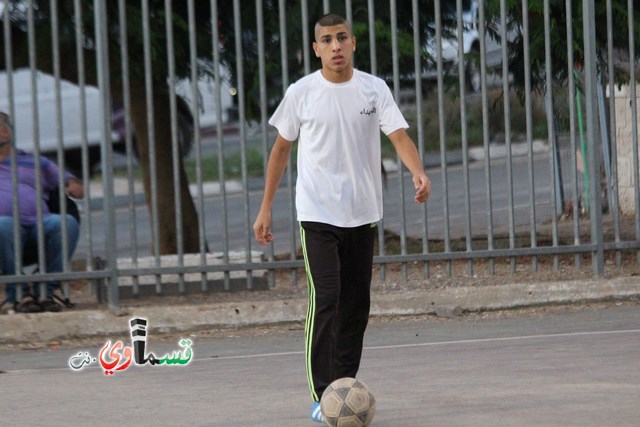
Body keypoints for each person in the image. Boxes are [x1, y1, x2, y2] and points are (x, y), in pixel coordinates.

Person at [253, 13, 431, 423]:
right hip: (317, 214)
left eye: (342, 38)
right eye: (327, 40)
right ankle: (321, 394)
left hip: (362, 214)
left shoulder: (373, 89)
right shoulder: (302, 93)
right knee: (327, 297)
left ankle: (343, 388)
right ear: (316, 49)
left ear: (353, 43)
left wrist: (417, 171)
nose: (335, 46)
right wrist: (265, 207)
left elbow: (399, 136)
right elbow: (280, 151)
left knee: (356, 305)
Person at [0, 111, 84, 313]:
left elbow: (74, 185)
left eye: (3, 126)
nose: (2, 131)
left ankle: (45, 291)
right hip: (5, 231)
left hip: (39, 224)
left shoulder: (35, 161)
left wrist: (73, 185)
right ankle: (19, 294)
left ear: (8, 131)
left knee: (66, 222)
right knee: (3, 224)